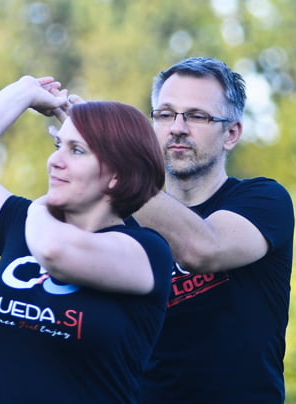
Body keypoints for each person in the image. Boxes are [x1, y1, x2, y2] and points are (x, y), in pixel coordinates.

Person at [0, 75, 173, 404]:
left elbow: (55, 252)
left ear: (117, 175)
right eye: (58, 145)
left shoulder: (147, 251)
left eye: (76, 150)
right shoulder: (24, 225)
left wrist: (39, 207)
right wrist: (23, 92)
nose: (54, 161)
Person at [131, 57, 294, 403]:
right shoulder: (124, 220)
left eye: (196, 116)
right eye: (165, 114)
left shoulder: (264, 200)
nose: (177, 127)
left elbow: (203, 248)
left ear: (231, 134)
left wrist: (113, 166)